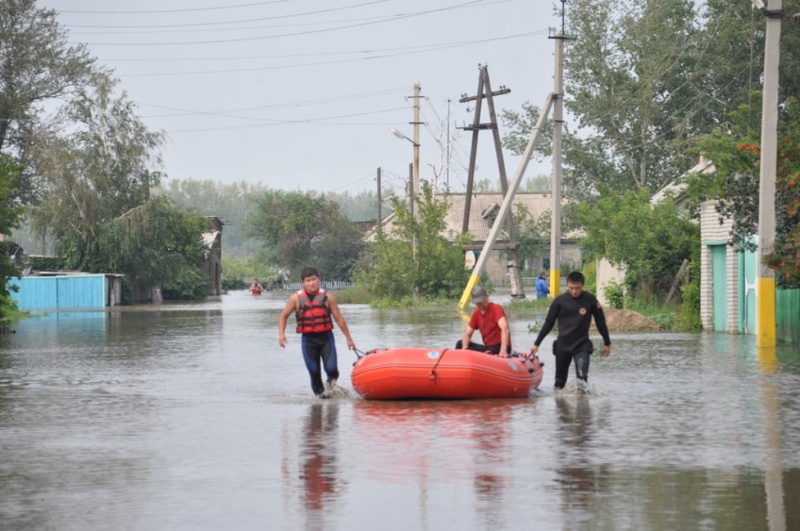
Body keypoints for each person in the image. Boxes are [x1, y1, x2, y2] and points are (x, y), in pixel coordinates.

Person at [278, 267, 356, 398]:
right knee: (314, 371)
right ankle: (320, 401)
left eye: (314, 279)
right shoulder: (295, 299)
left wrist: (349, 339)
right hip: (308, 341)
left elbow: (339, 318)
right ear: (303, 282)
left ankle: (331, 385)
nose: (311, 283)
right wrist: (281, 334)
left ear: (319, 279)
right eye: (308, 280)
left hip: (326, 339)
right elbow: (283, 316)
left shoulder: (328, 297)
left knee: (331, 369)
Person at [529, 271, 611, 389]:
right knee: (559, 383)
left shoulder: (590, 300)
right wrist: (536, 344)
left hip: (582, 345)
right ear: (567, 285)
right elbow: (549, 323)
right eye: (571, 288)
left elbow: (600, 321)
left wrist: (607, 342)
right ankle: (561, 406)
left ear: (582, 285)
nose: (574, 291)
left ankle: (583, 406)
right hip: (563, 346)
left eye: (577, 288)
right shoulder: (559, 301)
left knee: (582, 378)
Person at [456, 285, 511, 357]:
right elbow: (467, 334)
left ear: (487, 296)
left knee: (491, 350)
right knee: (459, 344)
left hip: (499, 346)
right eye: (477, 302)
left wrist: (503, 350)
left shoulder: (496, 308)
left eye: (480, 301)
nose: (478, 304)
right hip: (488, 348)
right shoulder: (476, 314)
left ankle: (490, 355)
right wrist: (465, 348)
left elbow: (505, 329)